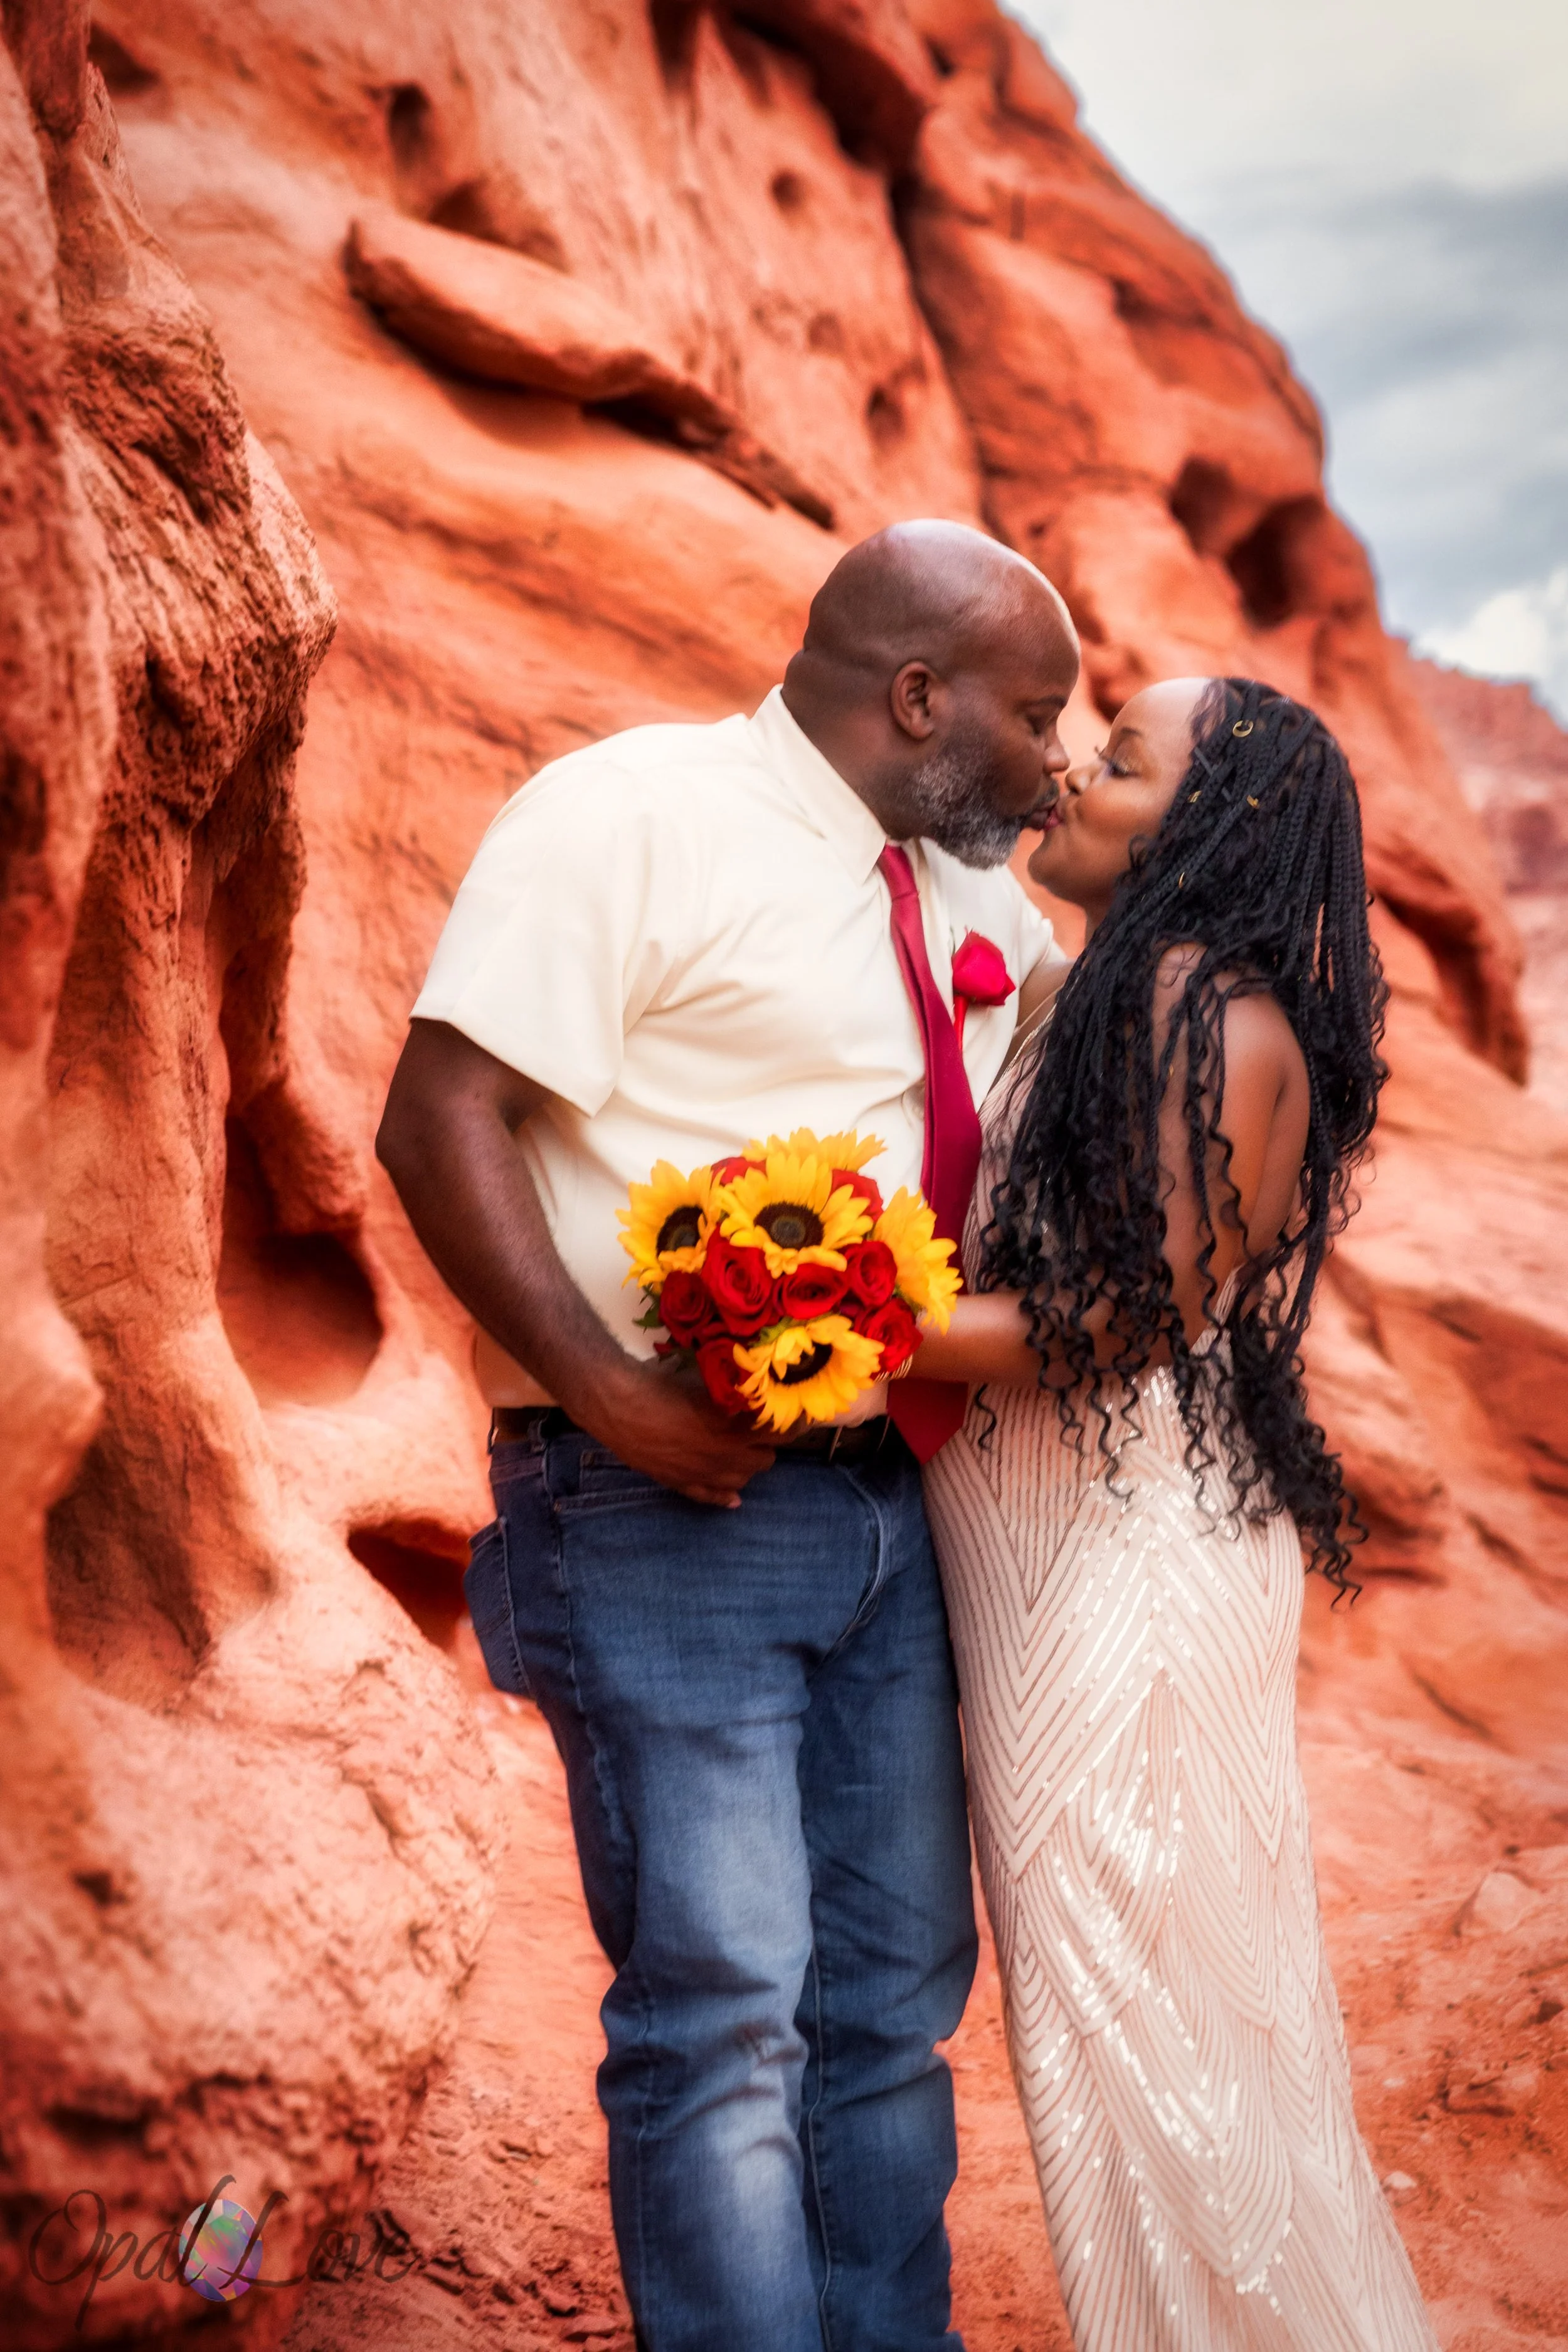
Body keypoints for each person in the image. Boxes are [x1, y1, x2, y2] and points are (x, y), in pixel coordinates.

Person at [376, 519, 1081, 2352]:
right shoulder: (627, 817)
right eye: (1032, 715)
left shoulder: (977, 896)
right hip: (653, 1495)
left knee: (891, 1996)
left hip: (893, 1510)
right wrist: (603, 1389)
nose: (1053, 759)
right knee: (720, 2003)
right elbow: (440, 1112)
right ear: (915, 694)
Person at [914, 675, 1439, 2349]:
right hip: (1082, 1548)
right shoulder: (1131, 990)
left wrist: (826, 1319)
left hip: (1117, 1579)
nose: (1073, 769)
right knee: (1144, 2016)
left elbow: (1110, 1326)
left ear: (1215, 825)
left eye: (1123, 762)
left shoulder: (1191, 1008)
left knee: (1160, 2036)